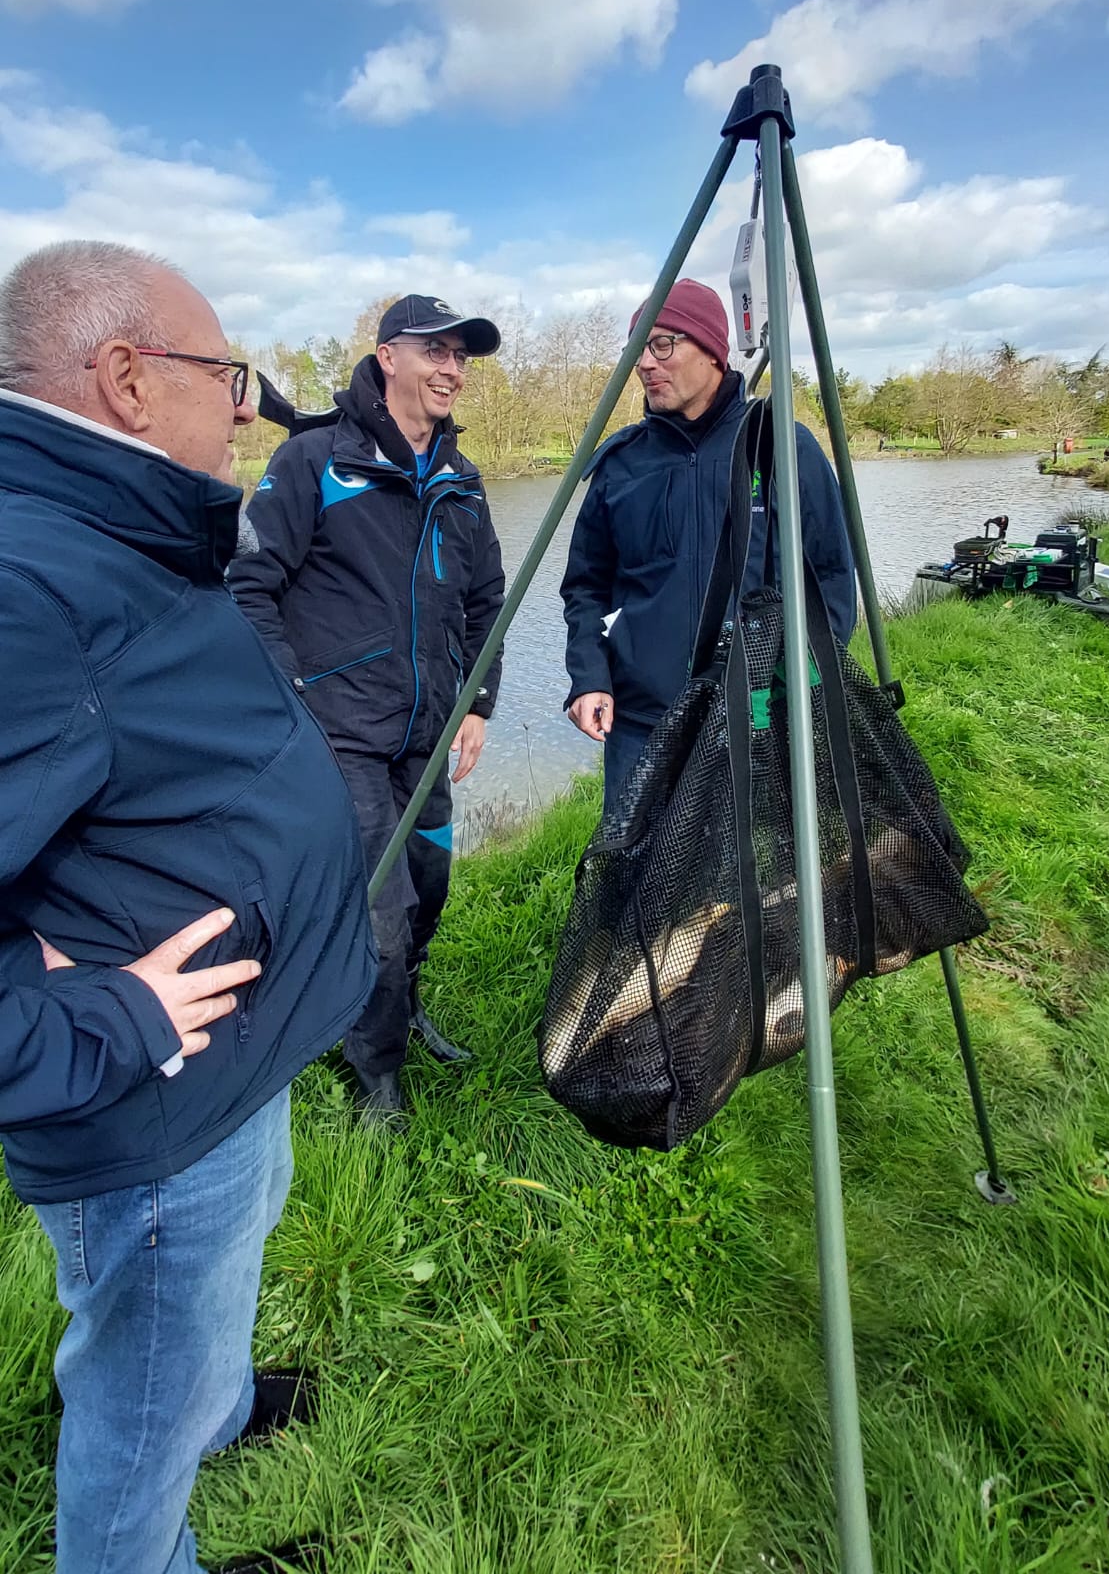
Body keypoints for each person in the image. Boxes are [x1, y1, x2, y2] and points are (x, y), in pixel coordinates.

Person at [0, 240, 376, 1574]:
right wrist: (104, 1020)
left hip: (226, 1063)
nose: (248, 407)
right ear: (124, 378)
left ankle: (210, 1402)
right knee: (136, 1407)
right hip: (153, 1103)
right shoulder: (27, 584)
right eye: (228, 375)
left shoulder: (117, 526)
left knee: (193, 1321)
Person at [229, 296, 505, 1130]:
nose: (452, 369)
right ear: (388, 357)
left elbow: (487, 601)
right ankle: (374, 1071)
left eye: (461, 357)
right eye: (436, 351)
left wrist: (478, 703)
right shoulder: (314, 459)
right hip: (339, 735)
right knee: (378, 911)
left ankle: (404, 1010)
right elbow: (248, 586)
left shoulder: (461, 479)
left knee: (429, 887)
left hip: (429, 732)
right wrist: (292, 703)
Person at [561, 279, 857, 807]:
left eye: (662, 345)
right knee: (641, 861)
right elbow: (586, 588)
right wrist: (589, 677)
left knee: (761, 858)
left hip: (761, 717)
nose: (645, 364)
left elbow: (832, 575)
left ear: (713, 351)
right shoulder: (620, 466)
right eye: (638, 350)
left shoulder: (781, 445)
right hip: (643, 726)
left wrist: (803, 685)